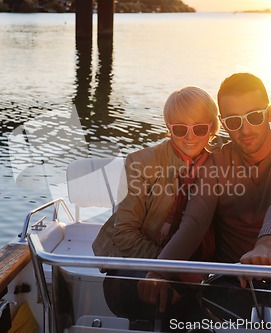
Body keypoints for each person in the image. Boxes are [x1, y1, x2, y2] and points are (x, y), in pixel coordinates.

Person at [140, 73, 271, 332]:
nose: (245, 129)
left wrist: (266, 244)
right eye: (233, 121)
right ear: (223, 123)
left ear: (270, 113)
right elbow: (194, 223)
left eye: (254, 116)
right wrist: (159, 272)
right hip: (229, 286)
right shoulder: (215, 163)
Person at [92, 85, 220, 327]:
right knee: (158, 294)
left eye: (200, 128)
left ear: (212, 128)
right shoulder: (142, 162)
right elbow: (125, 234)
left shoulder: (220, 162)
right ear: (168, 127)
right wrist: (174, 269)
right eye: (180, 128)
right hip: (139, 261)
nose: (190, 136)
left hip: (199, 268)